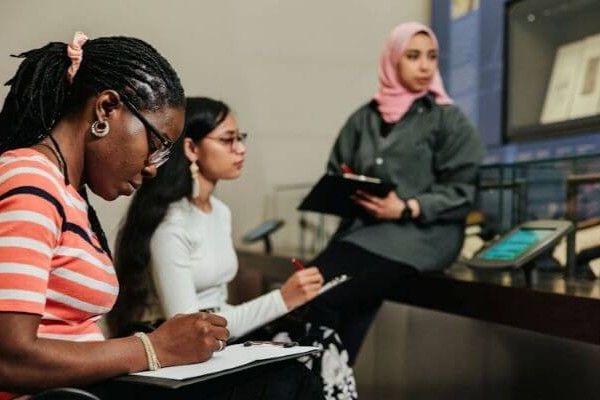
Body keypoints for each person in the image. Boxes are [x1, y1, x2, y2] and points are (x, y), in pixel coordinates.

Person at [0, 33, 320, 400]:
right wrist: (153, 349)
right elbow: (9, 359)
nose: (153, 168)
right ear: (106, 109)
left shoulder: (68, 192)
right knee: (285, 385)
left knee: (287, 375)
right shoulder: (30, 180)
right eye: (155, 146)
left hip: (87, 387)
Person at [109, 97, 357, 400]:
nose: (240, 148)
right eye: (228, 140)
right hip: (182, 346)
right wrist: (282, 299)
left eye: (241, 138)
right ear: (191, 148)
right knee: (305, 365)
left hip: (222, 333)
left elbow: (219, 305)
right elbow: (189, 327)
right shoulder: (170, 224)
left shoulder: (220, 212)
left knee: (324, 338)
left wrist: (285, 303)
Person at [306, 22, 485, 365]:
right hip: (366, 232)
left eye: (432, 56)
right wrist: (349, 189)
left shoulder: (447, 119)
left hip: (424, 236)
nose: (425, 66)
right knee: (308, 291)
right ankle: (324, 383)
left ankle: (321, 383)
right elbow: (336, 170)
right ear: (392, 60)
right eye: (413, 56)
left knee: (326, 297)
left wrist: (405, 207)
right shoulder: (364, 118)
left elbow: (464, 191)